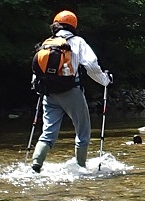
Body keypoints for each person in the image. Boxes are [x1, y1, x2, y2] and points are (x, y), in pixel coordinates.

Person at [30, 10, 111, 170]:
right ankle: (81, 168)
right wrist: (105, 81)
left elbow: (37, 71)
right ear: (74, 26)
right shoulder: (77, 41)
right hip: (71, 91)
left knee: (48, 131)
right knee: (83, 130)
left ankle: (36, 165)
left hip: (49, 93)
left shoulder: (47, 43)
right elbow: (91, 65)